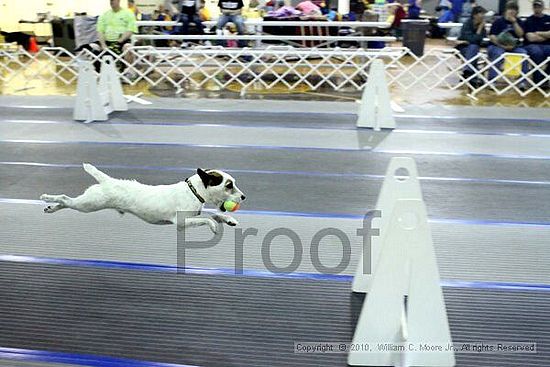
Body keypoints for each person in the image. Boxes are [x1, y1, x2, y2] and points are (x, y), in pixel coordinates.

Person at [487, 1, 528, 81]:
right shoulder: (498, 21)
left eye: (514, 9)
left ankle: (522, 81)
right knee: (498, 53)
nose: (512, 11)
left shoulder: (519, 22)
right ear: (506, 10)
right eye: (510, 9)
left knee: (523, 53)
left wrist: (514, 22)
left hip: (514, 47)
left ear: (517, 12)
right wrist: (503, 46)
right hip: (497, 46)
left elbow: (520, 35)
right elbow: (492, 37)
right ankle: (492, 79)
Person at [458, 5, 487, 86]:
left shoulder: (482, 27)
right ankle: (471, 75)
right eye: (482, 14)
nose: (483, 16)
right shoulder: (467, 24)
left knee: (473, 48)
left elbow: (481, 39)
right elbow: (473, 40)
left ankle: (468, 73)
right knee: (473, 48)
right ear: (475, 15)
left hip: (474, 49)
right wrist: (479, 29)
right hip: (463, 48)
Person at [523, 0, 550, 86]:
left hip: (547, 45)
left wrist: (538, 33)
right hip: (531, 45)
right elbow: (530, 38)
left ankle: (544, 77)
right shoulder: (528, 20)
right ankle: (537, 80)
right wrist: (546, 35)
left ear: (543, 8)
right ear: (533, 8)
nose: (537, 8)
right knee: (537, 53)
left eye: (539, 6)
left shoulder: (549, 19)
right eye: (535, 7)